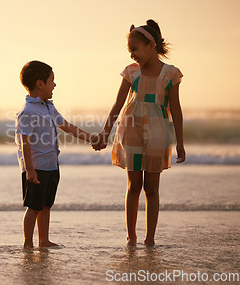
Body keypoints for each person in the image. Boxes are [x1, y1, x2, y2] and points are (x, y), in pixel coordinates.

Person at [92, 20, 185, 247]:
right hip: (131, 132)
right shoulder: (131, 72)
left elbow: (176, 109)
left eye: (135, 49)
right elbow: (117, 105)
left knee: (151, 188)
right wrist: (105, 132)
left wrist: (180, 143)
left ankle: (149, 238)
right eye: (129, 51)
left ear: (150, 45)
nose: (132, 55)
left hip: (157, 135)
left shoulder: (170, 74)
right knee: (134, 186)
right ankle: (131, 236)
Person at [15, 60, 99, 250]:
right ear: (40, 84)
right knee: (34, 206)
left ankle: (43, 240)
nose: (55, 85)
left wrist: (91, 138)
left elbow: (66, 126)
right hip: (35, 168)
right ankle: (28, 243)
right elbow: (24, 142)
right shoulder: (27, 112)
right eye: (52, 80)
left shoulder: (48, 107)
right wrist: (29, 170)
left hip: (51, 164)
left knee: (46, 205)